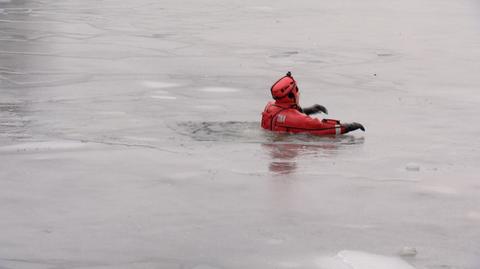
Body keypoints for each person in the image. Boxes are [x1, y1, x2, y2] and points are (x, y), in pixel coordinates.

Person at [261, 72, 365, 135]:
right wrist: (349, 127)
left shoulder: (270, 107)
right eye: (296, 90)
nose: (298, 93)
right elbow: (322, 128)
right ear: (291, 95)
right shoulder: (292, 118)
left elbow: (288, 114)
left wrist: (309, 110)